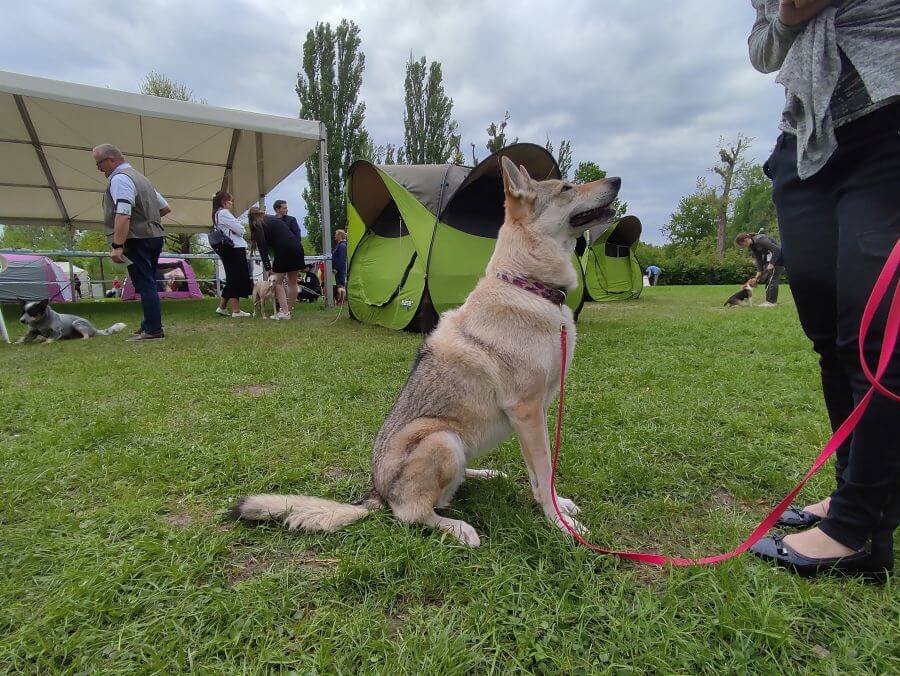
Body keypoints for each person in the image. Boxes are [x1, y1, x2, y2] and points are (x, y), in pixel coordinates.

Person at [747, 0, 899, 580]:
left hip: (888, 124)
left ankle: (859, 531)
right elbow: (762, 49)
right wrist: (788, 16)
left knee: (874, 337)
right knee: (830, 334)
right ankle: (846, 490)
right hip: (807, 139)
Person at [93, 143, 170, 341]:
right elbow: (164, 208)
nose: (98, 168)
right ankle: (149, 325)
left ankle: (153, 330)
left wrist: (117, 245)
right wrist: (145, 217)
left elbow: (123, 213)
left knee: (145, 284)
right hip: (155, 236)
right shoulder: (142, 179)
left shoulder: (120, 179)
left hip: (137, 239)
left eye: (99, 163)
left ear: (111, 159)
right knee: (148, 282)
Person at [248, 207, 305, 320]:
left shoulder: (258, 223)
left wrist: (268, 267)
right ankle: (288, 310)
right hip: (297, 247)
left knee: (277, 282)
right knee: (292, 283)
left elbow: (263, 248)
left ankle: (284, 312)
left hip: (283, 250)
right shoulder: (274, 219)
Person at [210, 190, 252, 318]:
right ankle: (236, 310)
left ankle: (222, 307)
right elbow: (240, 230)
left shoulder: (216, 214)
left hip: (228, 249)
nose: (231, 203)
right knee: (236, 278)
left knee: (232, 277)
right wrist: (240, 227)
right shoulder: (223, 213)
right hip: (234, 248)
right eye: (230, 201)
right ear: (224, 201)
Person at [735, 232, 783, 305]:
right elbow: (758, 258)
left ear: (746, 240)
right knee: (767, 279)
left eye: (742, 245)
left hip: (778, 258)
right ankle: (769, 301)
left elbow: (777, 249)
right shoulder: (752, 245)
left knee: (772, 279)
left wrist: (771, 263)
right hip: (769, 259)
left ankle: (771, 302)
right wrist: (759, 271)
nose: (744, 247)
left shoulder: (760, 240)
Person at [333, 229, 348, 304]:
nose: (334, 235)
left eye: (336, 234)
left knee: (341, 285)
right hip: (338, 269)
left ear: (339, 235)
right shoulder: (340, 245)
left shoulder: (342, 245)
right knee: (339, 284)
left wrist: (336, 268)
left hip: (340, 269)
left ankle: (342, 300)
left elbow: (342, 260)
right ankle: (341, 300)